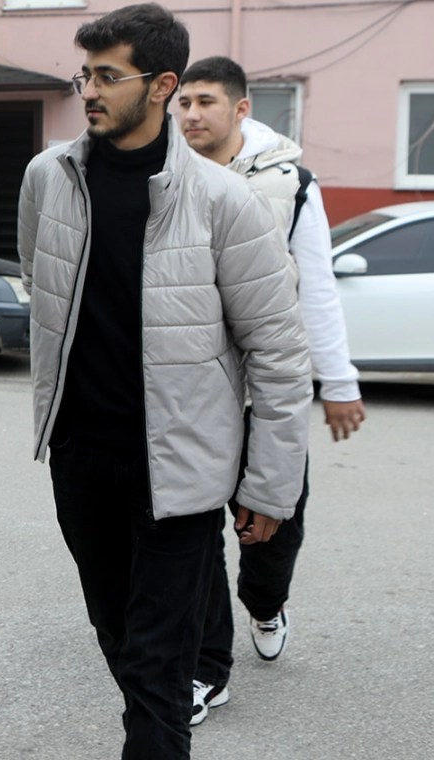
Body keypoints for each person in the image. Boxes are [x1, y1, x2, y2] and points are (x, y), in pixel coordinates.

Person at [16, 3, 312, 760]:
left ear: (162, 86)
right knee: (117, 637)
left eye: (108, 75)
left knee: (158, 669)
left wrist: (269, 487)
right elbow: (42, 284)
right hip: (83, 461)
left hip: (179, 469)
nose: (89, 89)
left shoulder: (224, 203)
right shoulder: (47, 179)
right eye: (85, 73)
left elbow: (278, 351)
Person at [178, 55, 365, 724]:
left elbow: (316, 288)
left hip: (266, 389)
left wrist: (338, 383)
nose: (193, 114)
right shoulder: (164, 174)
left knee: (269, 530)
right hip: (188, 390)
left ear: (241, 109)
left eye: (207, 101)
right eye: (185, 103)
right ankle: (202, 666)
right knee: (187, 529)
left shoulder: (291, 183)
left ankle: (264, 603)